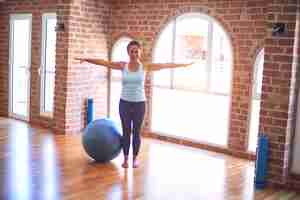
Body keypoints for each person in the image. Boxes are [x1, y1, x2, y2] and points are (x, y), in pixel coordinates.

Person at [76, 40, 193, 168]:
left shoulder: (146, 67)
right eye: (131, 51)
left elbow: (164, 65)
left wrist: (182, 65)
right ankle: (125, 159)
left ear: (140, 52)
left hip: (140, 104)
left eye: (136, 51)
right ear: (128, 52)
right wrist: (86, 59)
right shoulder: (123, 66)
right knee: (126, 131)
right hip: (124, 103)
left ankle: (135, 159)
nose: (134, 53)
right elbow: (105, 63)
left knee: (136, 132)